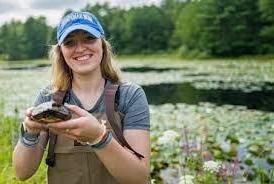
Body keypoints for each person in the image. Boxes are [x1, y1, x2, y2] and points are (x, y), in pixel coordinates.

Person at [12, 11, 150, 184]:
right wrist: (30, 133)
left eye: (89, 38)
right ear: (61, 52)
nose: (80, 48)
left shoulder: (129, 95)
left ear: (102, 44)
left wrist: (98, 138)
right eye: (70, 43)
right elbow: (22, 172)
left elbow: (139, 178)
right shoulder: (48, 98)